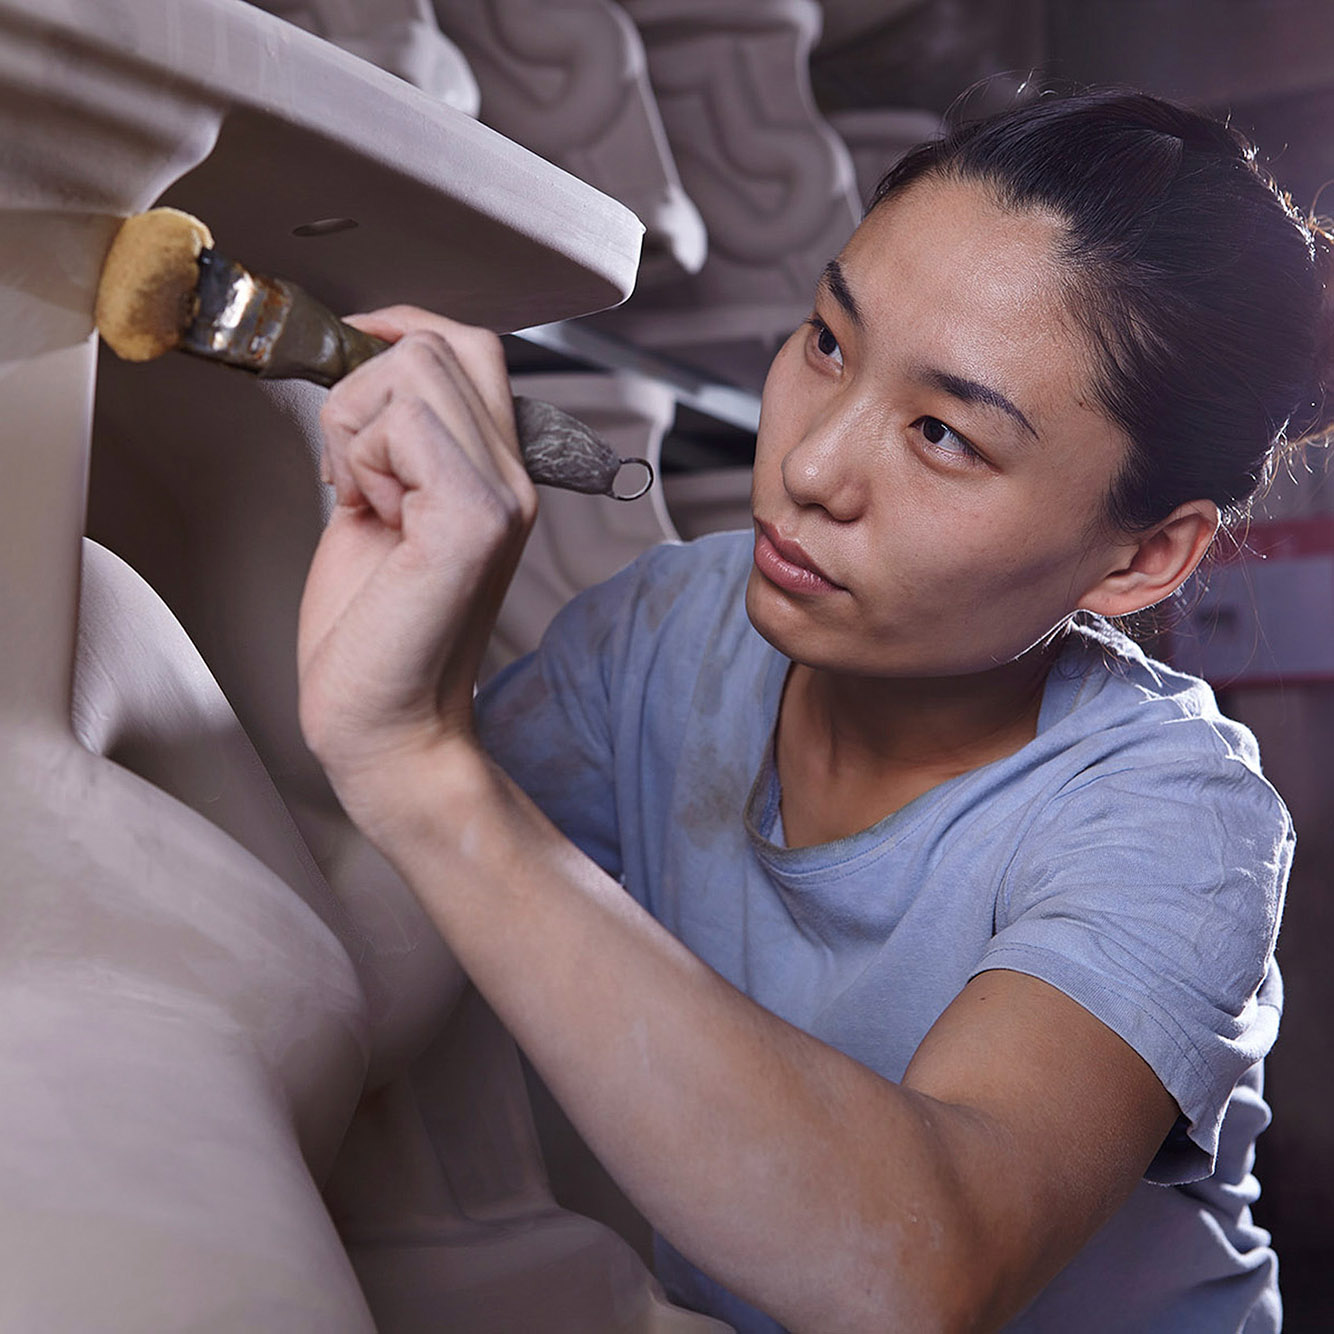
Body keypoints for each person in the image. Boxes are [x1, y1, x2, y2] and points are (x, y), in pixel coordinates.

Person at [298, 89, 1328, 1331]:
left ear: (1141, 557)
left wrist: (421, 760)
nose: (806, 467)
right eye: (828, 343)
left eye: (942, 433)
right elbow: (402, 938)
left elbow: (925, 1266)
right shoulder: (668, 632)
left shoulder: (1177, 819)